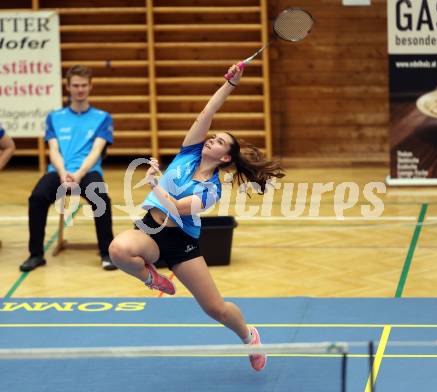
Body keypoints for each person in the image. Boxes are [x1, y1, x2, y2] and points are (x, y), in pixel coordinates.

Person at [109, 64, 284, 371]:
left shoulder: (212, 189)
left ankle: (249, 336)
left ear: (226, 157)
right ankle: (152, 278)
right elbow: (207, 112)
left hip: (181, 242)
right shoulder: (189, 151)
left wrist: (154, 184)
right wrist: (230, 84)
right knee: (118, 250)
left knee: (215, 309)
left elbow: (179, 207)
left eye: (218, 142)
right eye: (212, 137)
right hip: (150, 229)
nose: (211, 140)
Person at [20, 65, 116, 272]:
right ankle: (36, 254)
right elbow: (53, 150)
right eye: (75, 85)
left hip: (88, 171)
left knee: (101, 199)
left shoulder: (103, 117)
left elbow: (96, 151)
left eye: (83, 85)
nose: (79, 89)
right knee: (37, 198)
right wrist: (63, 174)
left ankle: (107, 253)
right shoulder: (54, 117)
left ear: (90, 87)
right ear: (68, 87)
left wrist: (79, 175)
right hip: (59, 171)